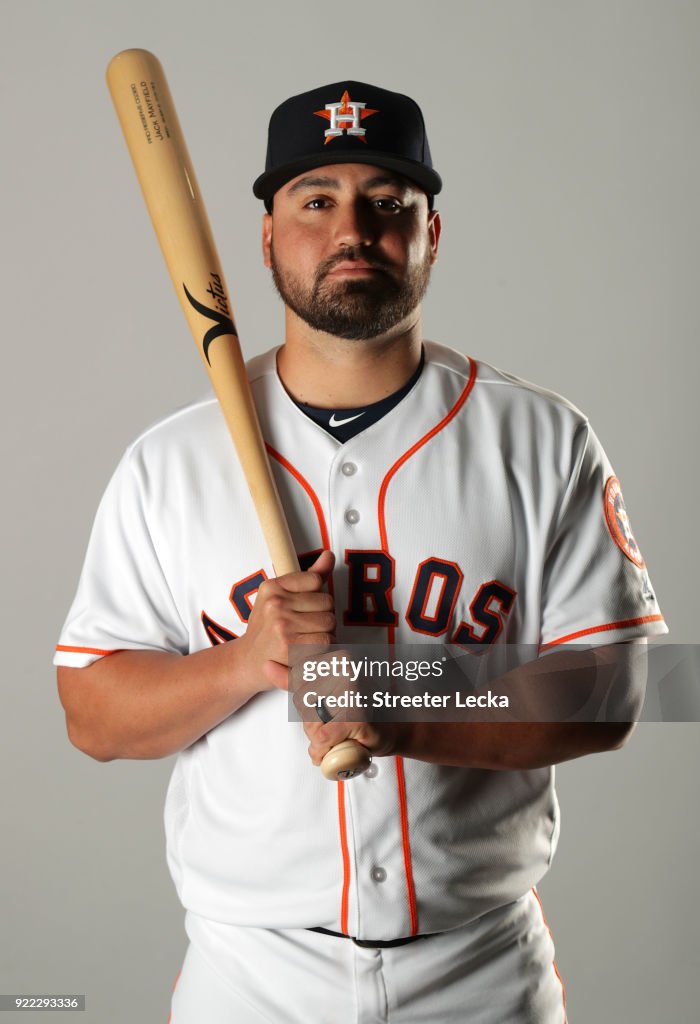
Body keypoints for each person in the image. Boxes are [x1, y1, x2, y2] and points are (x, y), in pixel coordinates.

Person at [55, 81, 667, 1023]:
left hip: (481, 974)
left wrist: (401, 704)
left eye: (388, 202)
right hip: (250, 979)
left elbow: (622, 692)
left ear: (431, 234)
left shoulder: (543, 439)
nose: (354, 228)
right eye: (316, 200)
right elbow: (90, 711)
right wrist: (241, 664)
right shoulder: (170, 461)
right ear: (265, 239)